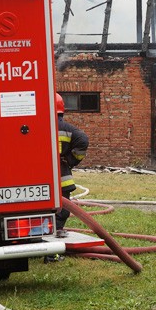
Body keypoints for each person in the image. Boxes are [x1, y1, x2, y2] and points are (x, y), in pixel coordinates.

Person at [54, 92, 89, 237]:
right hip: (62, 179)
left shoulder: (34, 126)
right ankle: (54, 237)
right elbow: (83, 140)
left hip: (39, 179)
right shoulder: (68, 129)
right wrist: (70, 160)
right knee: (62, 210)